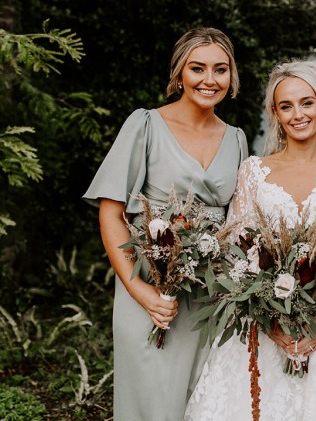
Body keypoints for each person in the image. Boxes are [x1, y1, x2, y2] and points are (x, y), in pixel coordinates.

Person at [184, 59, 316, 420]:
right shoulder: (254, 171)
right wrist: (271, 325)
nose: (298, 114)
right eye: (286, 106)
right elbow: (236, 256)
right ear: (275, 113)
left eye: (306, 102)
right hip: (264, 331)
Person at [83, 27, 248, 421]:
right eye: (198, 68)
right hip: (151, 287)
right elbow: (111, 212)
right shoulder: (144, 125)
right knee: (151, 404)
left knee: (205, 403)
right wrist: (141, 292)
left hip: (212, 296)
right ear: (178, 74)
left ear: (232, 77)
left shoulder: (238, 138)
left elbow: (241, 223)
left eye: (220, 70)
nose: (210, 80)